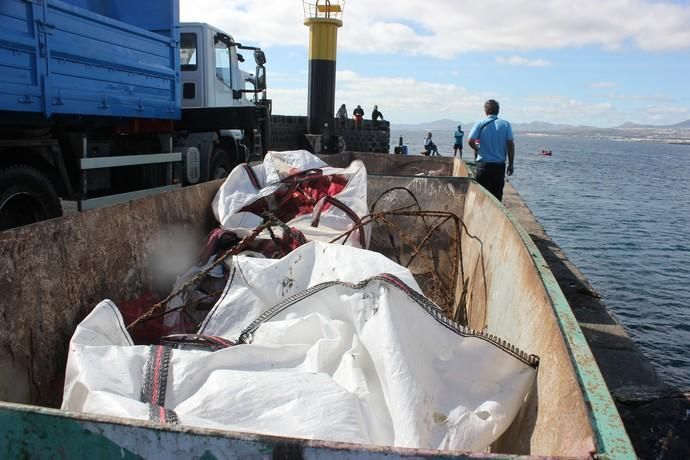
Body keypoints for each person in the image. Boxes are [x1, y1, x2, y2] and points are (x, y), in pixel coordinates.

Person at [468, 99, 514, 202]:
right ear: (498, 111)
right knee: (497, 198)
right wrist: (511, 164)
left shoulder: (480, 124)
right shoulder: (506, 124)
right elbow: (510, 145)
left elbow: (470, 140)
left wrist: (477, 148)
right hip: (499, 167)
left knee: (481, 197)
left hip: (483, 166)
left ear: (485, 111)